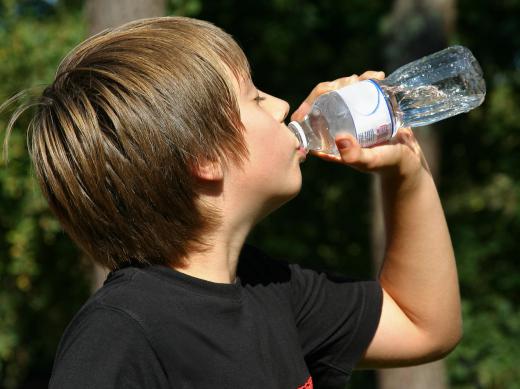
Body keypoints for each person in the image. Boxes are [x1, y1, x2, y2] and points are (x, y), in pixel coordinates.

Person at [2, 16, 462, 388]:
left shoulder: (270, 290)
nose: (283, 104)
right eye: (256, 97)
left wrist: (406, 173)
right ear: (204, 157)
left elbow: (425, 326)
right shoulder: (121, 333)